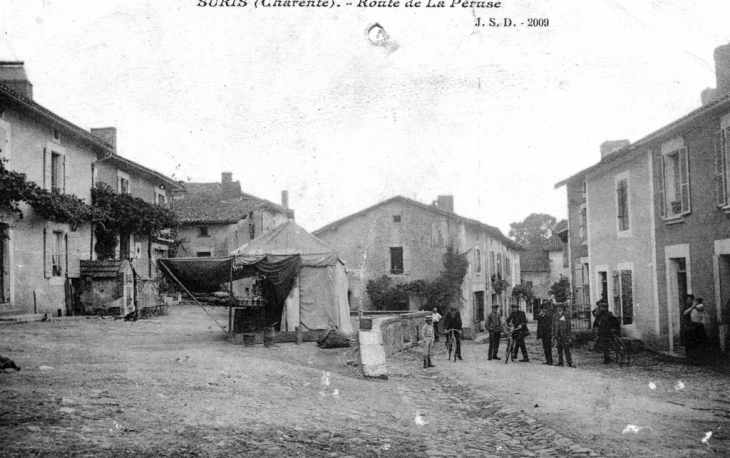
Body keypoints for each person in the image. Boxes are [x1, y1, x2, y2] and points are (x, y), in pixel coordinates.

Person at [552, 303, 574, 367]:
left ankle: (569, 362)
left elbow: (568, 325)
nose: (558, 308)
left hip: (564, 334)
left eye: (560, 307)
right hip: (557, 334)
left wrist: (568, 334)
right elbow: (553, 325)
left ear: (562, 308)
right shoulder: (555, 315)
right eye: (557, 307)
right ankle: (560, 362)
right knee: (559, 348)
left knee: (567, 349)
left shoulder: (566, 314)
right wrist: (553, 334)